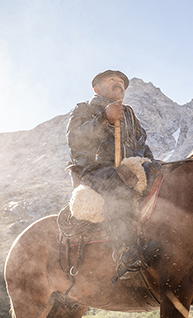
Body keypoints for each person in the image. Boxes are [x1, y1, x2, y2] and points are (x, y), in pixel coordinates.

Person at [65, 69, 159, 279]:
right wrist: (104, 118)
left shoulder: (130, 116)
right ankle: (126, 254)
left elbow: (142, 146)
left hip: (129, 168)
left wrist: (154, 164)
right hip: (96, 172)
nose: (119, 83)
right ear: (97, 88)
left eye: (122, 82)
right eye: (112, 80)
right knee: (119, 183)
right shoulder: (85, 110)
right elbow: (75, 139)